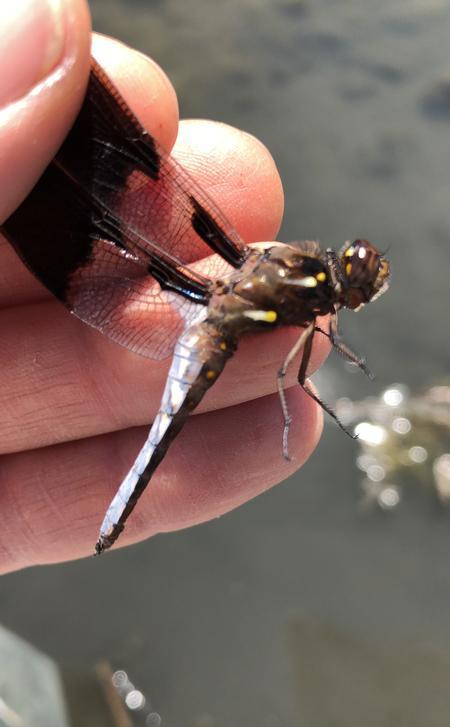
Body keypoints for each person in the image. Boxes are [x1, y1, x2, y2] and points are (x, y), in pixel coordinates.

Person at [0, 0, 328, 574]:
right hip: (210, 317)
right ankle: (114, 520)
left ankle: (114, 519)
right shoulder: (282, 290)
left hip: (210, 314)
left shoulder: (286, 291)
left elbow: (289, 350)